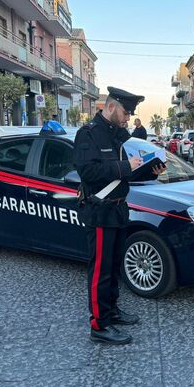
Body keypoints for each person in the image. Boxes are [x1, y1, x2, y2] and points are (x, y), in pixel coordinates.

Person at [74, 86, 166, 345]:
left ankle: (111, 311)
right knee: (100, 270)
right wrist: (125, 166)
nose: (128, 118)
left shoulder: (119, 136)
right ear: (111, 107)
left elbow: (124, 176)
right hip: (100, 211)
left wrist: (150, 171)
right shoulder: (88, 135)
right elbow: (88, 172)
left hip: (118, 209)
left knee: (114, 267)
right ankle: (99, 324)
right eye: (126, 112)